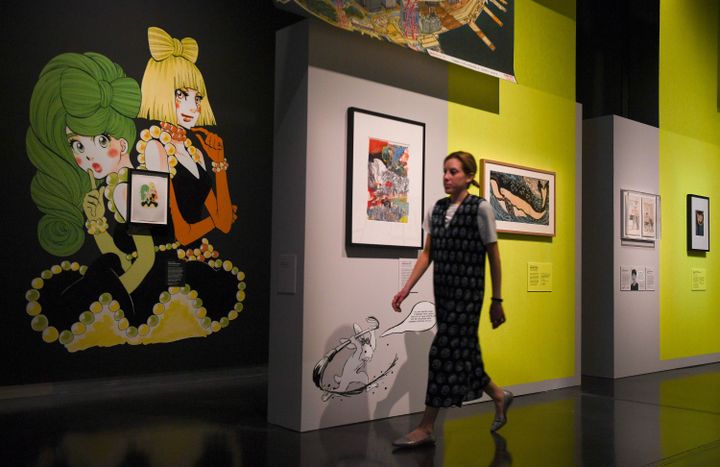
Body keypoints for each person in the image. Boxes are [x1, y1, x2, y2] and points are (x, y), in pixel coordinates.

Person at [390, 151, 512, 448]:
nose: (446, 176)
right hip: (443, 293)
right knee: (463, 354)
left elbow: (493, 256)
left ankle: (426, 426)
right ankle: (499, 395)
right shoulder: (435, 208)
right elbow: (428, 253)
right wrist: (406, 288)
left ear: (468, 176)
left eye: (453, 171)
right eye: (445, 171)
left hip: (468, 294)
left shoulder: (480, 209)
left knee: (441, 353)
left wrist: (497, 299)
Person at [137, 26, 236, 246]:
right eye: (181, 94)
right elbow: (182, 234)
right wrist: (213, 220)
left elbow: (225, 224)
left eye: (198, 98)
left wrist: (219, 162)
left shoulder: (196, 152)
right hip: (165, 258)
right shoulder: (156, 149)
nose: (193, 107)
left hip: (191, 258)